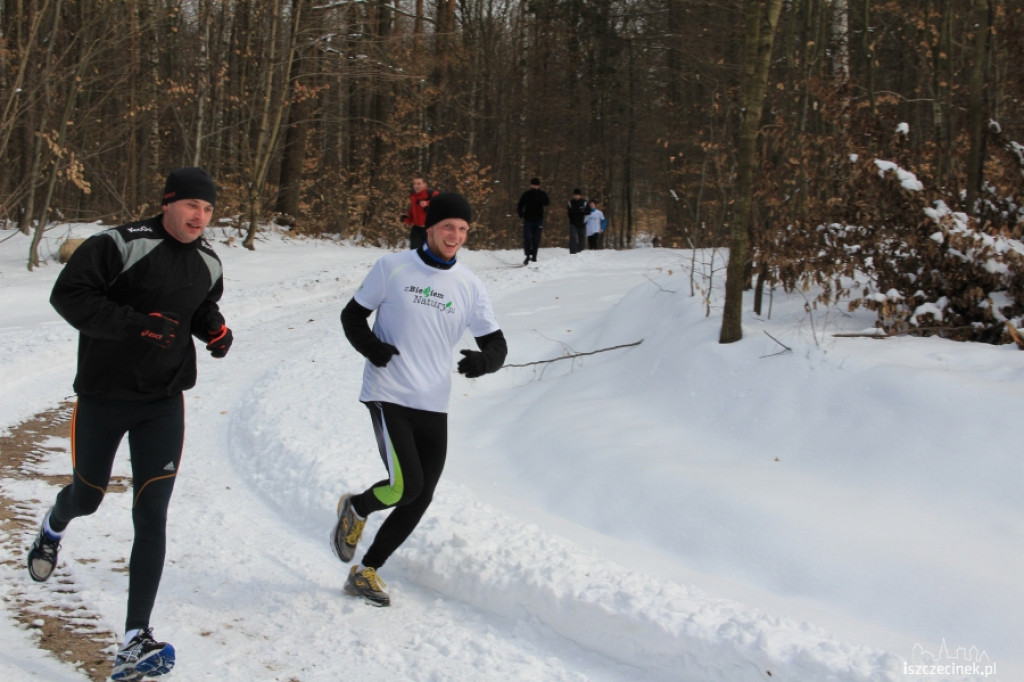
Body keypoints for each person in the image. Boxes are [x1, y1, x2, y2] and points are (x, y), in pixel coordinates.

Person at [29, 167, 232, 681]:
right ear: (167, 203)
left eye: (208, 210)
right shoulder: (117, 244)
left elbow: (202, 306)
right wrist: (137, 326)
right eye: (191, 206)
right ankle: (54, 525)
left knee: (152, 512)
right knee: (88, 496)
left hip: (163, 402)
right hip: (103, 396)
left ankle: (133, 639)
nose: (199, 217)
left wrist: (214, 330)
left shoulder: (209, 260)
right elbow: (69, 297)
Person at [332, 192, 507, 607]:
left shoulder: (469, 284)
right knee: (404, 486)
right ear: (429, 228)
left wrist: (485, 362)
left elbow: (496, 342)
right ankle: (358, 506)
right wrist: (374, 350)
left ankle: (366, 570)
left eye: (463, 229)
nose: (456, 236)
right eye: (448, 227)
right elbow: (352, 316)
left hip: (434, 401)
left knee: (421, 494)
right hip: (389, 392)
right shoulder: (392, 267)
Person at [516, 177, 549, 264]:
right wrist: (521, 213)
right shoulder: (526, 194)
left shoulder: (542, 193)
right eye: (533, 185)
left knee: (536, 239)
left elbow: (547, 202)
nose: (535, 187)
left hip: (538, 219)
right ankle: (527, 255)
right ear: (530, 185)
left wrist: (539, 197)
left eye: (536, 185)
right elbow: (520, 204)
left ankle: (534, 256)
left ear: (539, 186)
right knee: (527, 238)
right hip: (528, 219)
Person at [402, 176, 439, 250]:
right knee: (414, 252)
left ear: (424, 184)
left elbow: (441, 202)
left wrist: (427, 203)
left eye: (419, 184)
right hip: (416, 228)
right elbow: (413, 209)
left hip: (430, 229)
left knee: (430, 253)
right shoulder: (413, 195)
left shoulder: (431, 193)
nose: (416, 186)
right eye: (414, 184)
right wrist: (407, 218)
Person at [566, 188, 588, 254]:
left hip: (582, 223)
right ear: (573, 195)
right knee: (573, 237)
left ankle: (581, 251)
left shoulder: (584, 202)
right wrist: (572, 219)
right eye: (575, 195)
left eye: (578, 195)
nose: (576, 196)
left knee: (582, 238)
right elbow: (569, 212)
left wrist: (583, 211)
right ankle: (573, 252)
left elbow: (588, 211)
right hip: (573, 223)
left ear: (580, 195)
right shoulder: (570, 202)